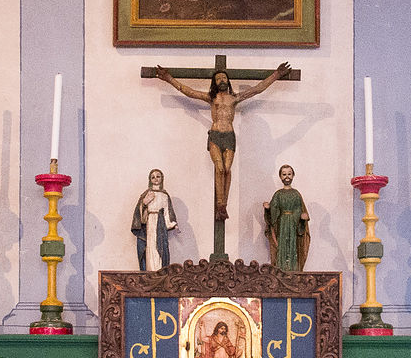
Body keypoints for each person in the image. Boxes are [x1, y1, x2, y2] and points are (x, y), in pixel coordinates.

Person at [153, 62, 290, 221]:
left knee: (227, 169)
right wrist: (168, 78)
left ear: (228, 81)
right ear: (214, 83)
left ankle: (224, 204)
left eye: (224, 78)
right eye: (218, 79)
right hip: (216, 135)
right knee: (219, 168)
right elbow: (188, 91)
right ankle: (220, 205)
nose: (222, 80)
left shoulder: (235, 98)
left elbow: (257, 89)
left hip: (229, 136)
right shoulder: (211, 98)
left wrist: (276, 75)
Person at [264, 164, 310, 271]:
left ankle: (293, 270)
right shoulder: (278, 194)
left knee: (293, 245)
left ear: (293, 175)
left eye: (289, 174)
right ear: (280, 176)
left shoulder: (296, 194)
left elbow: (299, 210)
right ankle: (281, 270)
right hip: (282, 225)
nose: (287, 177)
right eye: (284, 174)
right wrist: (268, 209)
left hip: (293, 224)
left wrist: (302, 220)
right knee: (281, 246)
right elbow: (273, 213)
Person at [131, 168, 177, 271]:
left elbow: (167, 213)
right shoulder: (147, 194)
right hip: (150, 223)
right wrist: (144, 202)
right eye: (153, 177)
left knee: (160, 247)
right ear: (150, 180)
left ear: (162, 178)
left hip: (160, 224)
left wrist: (173, 224)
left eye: (158, 176)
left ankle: (159, 270)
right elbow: (139, 212)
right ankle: (150, 269)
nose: (156, 179)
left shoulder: (165, 195)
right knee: (150, 246)